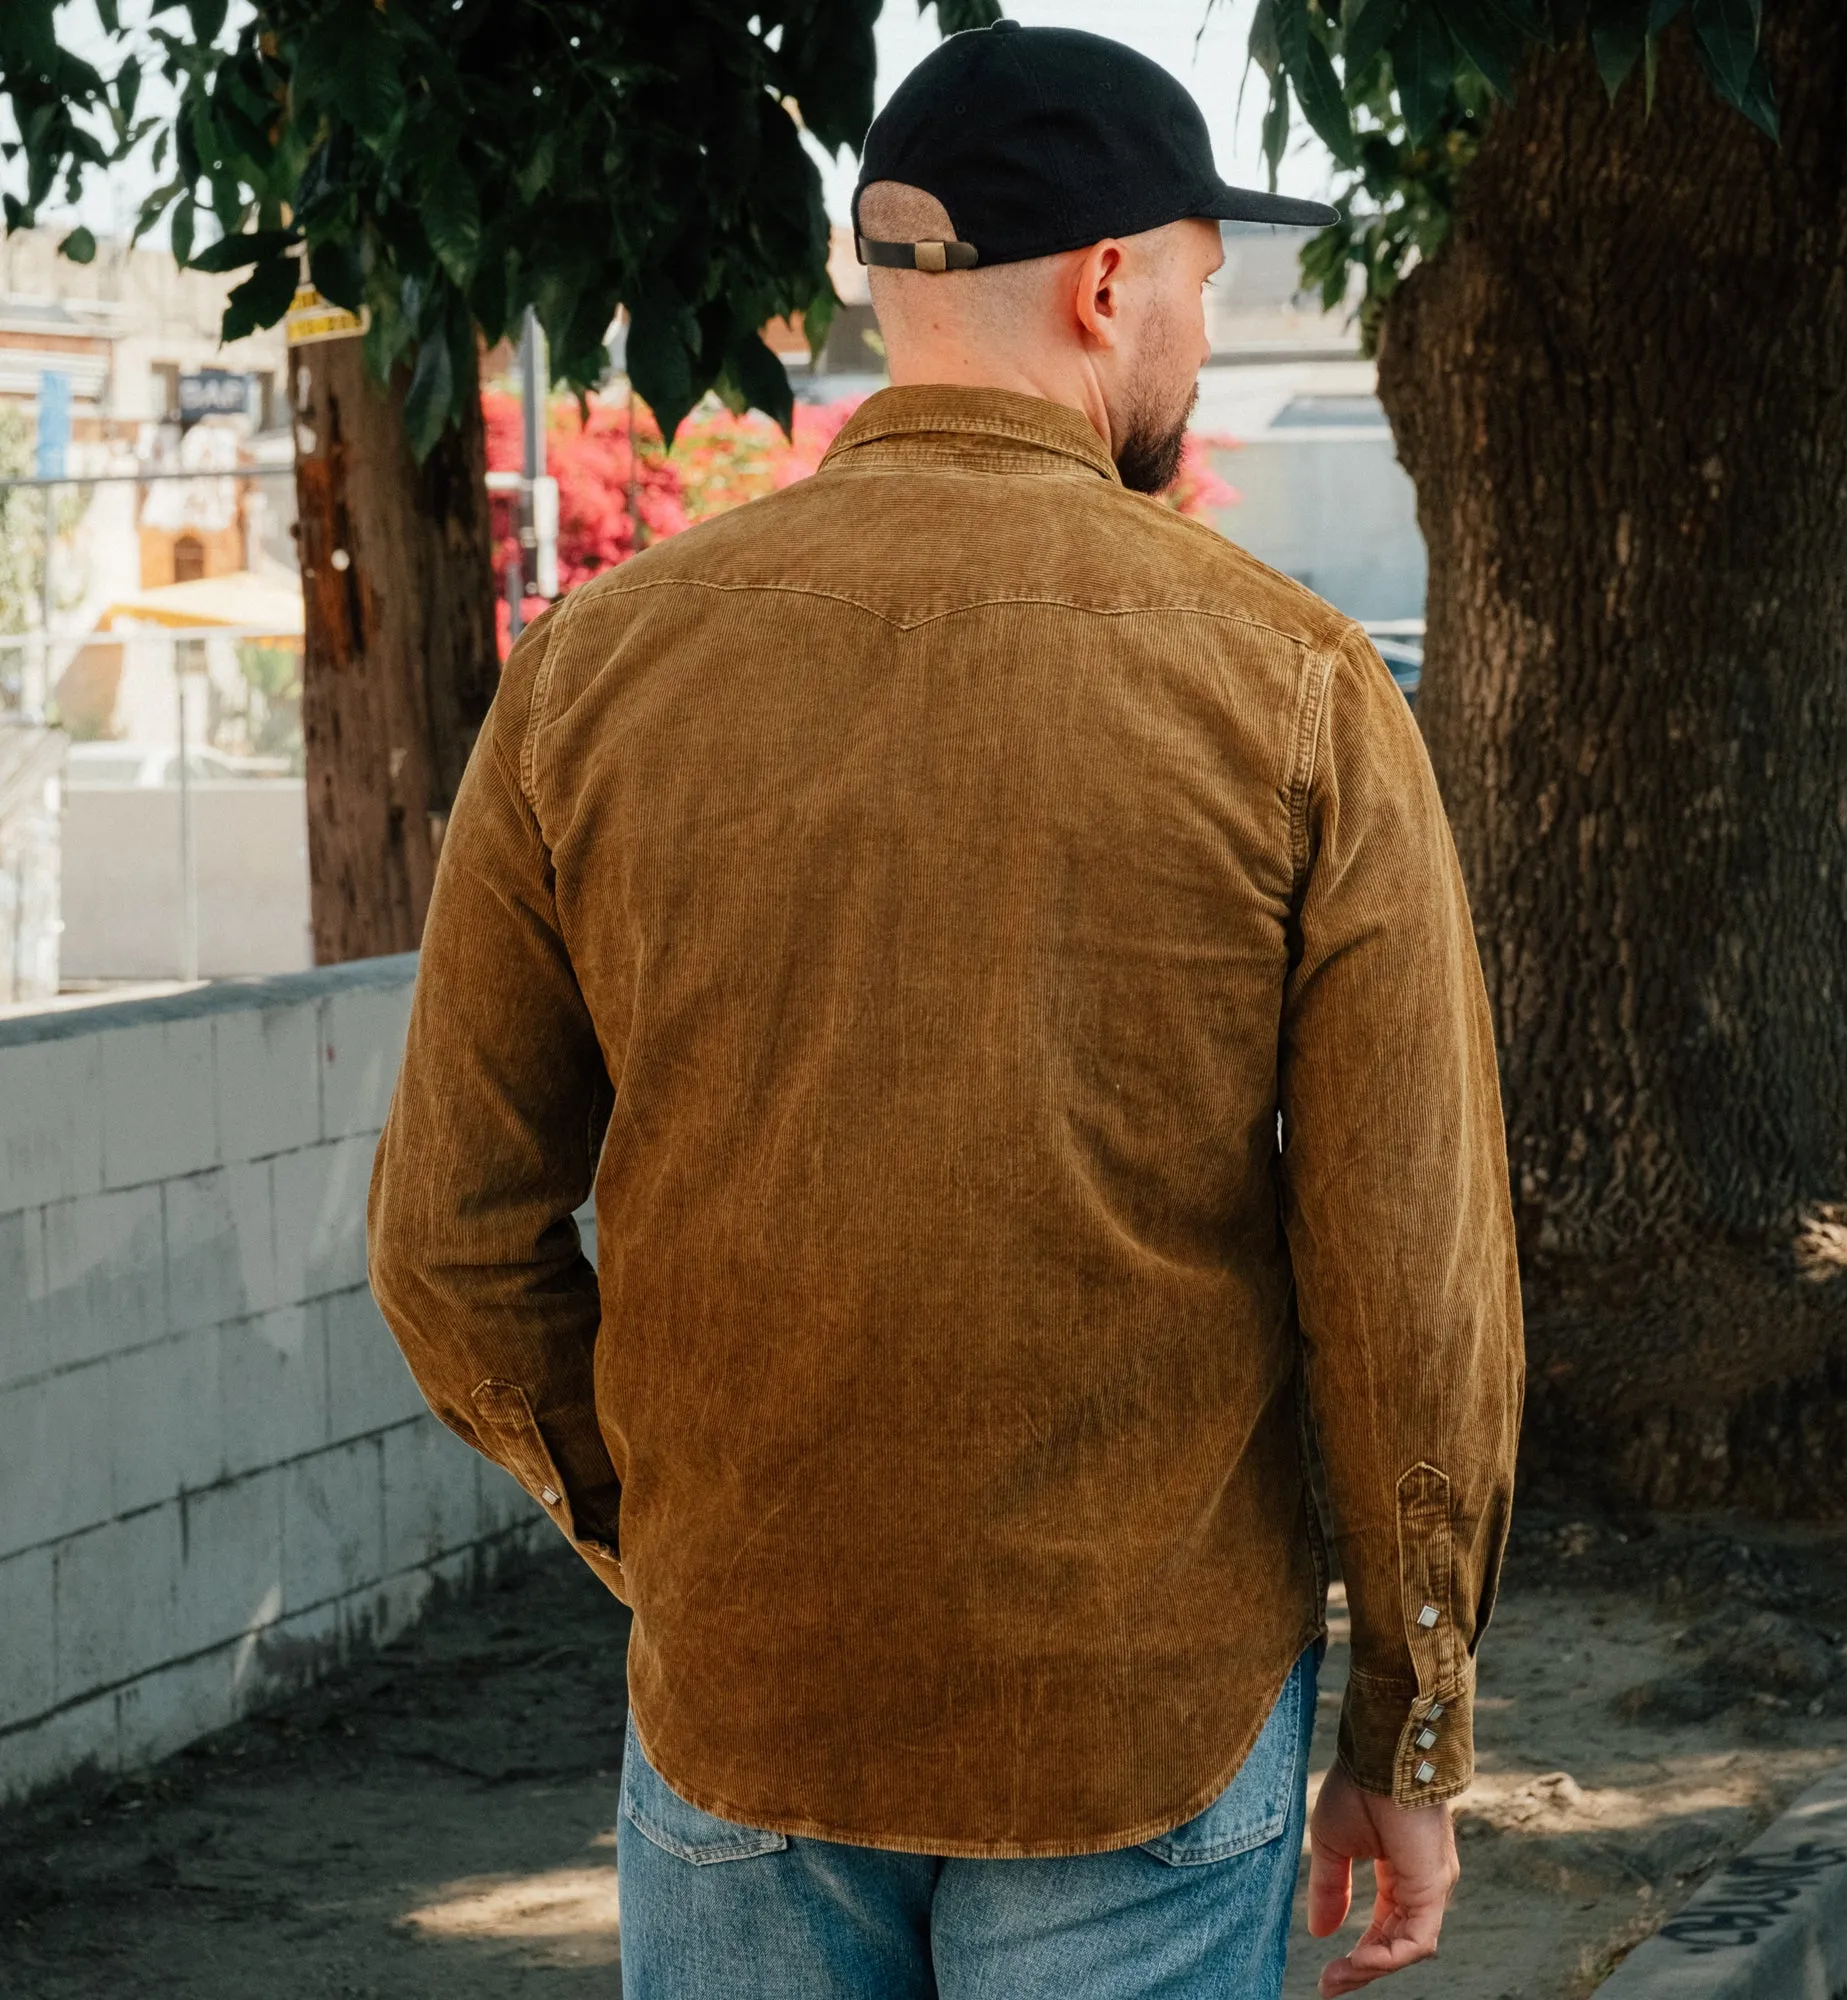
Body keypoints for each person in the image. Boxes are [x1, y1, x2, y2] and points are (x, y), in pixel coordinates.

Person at [368, 21, 1523, 2000]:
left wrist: (670, 1539)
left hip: (747, 1705)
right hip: (1143, 1717)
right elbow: (1407, 1286)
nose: (1200, 335)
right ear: (1103, 286)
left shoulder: (593, 671)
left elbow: (446, 1249)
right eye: (1198, 285)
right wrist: (1406, 1731)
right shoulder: (1300, 692)